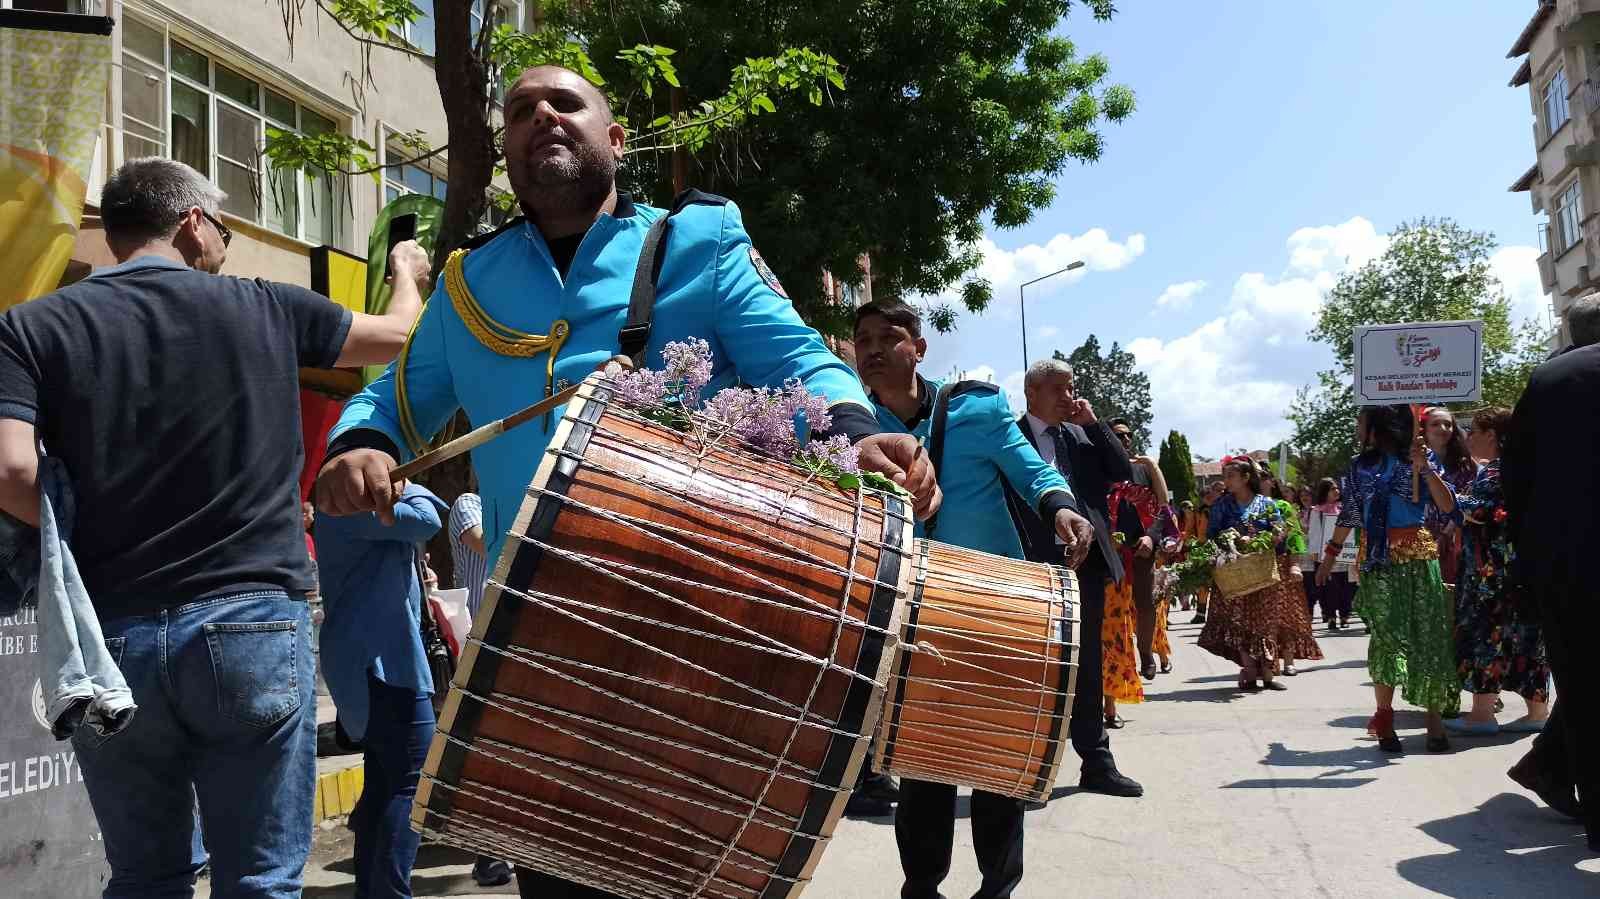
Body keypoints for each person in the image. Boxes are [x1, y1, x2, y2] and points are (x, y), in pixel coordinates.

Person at [314, 65, 940, 899]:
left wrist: (859, 433)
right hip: (537, 659)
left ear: (613, 140)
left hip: (692, 636)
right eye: (520, 111)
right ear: (504, 152)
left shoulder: (700, 243)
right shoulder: (466, 285)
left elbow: (800, 361)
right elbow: (394, 401)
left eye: (565, 104)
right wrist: (357, 445)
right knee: (559, 882)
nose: (542, 116)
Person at [0, 157, 425, 897]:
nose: (224, 244)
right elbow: (396, 335)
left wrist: (104, 520)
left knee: (145, 876)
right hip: (252, 623)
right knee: (261, 879)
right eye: (222, 227)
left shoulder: (30, 326)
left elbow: (10, 473)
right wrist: (406, 269)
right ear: (192, 222)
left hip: (113, 636)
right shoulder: (265, 305)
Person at [854, 303, 1092, 899]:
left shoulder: (976, 409)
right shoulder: (852, 429)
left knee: (997, 752)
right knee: (919, 759)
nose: (874, 349)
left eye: (890, 337)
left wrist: (1061, 508)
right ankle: (923, 887)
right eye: (863, 340)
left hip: (994, 606)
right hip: (907, 615)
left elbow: (1033, 472)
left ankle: (997, 887)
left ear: (920, 348)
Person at [1010, 358, 1145, 798]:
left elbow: (1125, 473)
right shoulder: (1010, 437)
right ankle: (1025, 767)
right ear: (1033, 393)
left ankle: (1097, 763)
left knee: (1086, 665)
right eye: (1060, 390)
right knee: (1034, 666)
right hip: (1030, 566)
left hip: (1085, 567)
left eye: (1072, 389)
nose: (1070, 397)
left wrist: (1096, 424)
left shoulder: (1081, 436)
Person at [314, 483, 448, 898]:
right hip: (383, 661)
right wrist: (405, 482)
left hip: (375, 661)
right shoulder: (348, 501)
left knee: (384, 785)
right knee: (412, 783)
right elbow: (428, 518)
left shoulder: (343, 503)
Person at [1502, 292, 1600, 848]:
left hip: (1563, 563)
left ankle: (1555, 768)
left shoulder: (1546, 381)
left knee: (1584, 684)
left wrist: (1529, 559)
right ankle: (1549, 765)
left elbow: (1517, 481)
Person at [1317, 405, 1459, 754]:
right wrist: (1330, 555)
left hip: (1419, 557)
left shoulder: (1420, 460)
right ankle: (1385, 719)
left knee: (1429, 634)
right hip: (1377, 562)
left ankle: (1434, 721)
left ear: (1378, 426)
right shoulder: (1359, 467)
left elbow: (1448, 506)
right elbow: (1351, 512)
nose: (1356, 425)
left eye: (1360, 420)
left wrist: (1425, 471)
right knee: (1385, 637)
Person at [1444, 407, 1550, 737]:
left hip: (1491, 573)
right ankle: (1537, 711)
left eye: (1473, 430)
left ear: (1492, 436)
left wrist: (1441, 489)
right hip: (1523, 570)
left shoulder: (1495, 473)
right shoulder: (1528, 470)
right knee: (1526, 639)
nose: (1468, 436)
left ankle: (1482, 714)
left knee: (1485, 635)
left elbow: (1475, 512)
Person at [442, 490, 514, 887]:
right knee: (484, 750)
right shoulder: (468, 503)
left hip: (507, 641)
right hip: (478, 643)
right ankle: (488, 855)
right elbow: (487, 540)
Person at [1198, 458, 1301, 691]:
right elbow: (1212, 535)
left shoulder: (1266, 504)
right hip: (1235, 572)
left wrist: (1272, 537)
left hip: (1263, 570)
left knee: (1266, 621)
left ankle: (1268, 672)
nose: (1226, 481)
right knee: (1241, 621)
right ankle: (1250, 671)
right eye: (1224, 476)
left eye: (1230, 476)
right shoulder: (1222, 506)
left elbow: (1280, 530)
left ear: (1245, 478)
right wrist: (1232, 539)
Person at [1108, 419, 1176, 682]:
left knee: (1145, 604)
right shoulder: (1100, 469)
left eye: (1128, 436)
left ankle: (1146, 652)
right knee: (1112, 611)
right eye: (1118, 436)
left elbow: (1163, 507)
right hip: (1110, 548)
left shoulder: (1142, 471)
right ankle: (1115, 667)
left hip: (1141, 546)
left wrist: (1150, 537)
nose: (1125, 440)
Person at [1262, 473, 1321, 677]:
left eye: (1263, 477)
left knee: (1285, 616)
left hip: (1281, 565)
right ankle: (1265, 664)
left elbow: (1294, 536)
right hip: (1256, 568)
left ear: (1272, 482)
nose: (1259, 481)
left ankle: (1288, 660)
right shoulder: (1244, 506)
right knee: (1262, 619)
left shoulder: (1282, 506)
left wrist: (1295, 564)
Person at [1421, 406, 1475, 585]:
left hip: (1454, 537)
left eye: (1448, 424)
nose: (1443, 429)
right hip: (1419, 538)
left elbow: (1466, 501)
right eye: (1435, 424)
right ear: (1424, 429)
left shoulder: (1465, 464)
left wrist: (1445, 535)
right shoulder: (1411, 462)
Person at [1303, 478, 1354, 630]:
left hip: (1345, 554)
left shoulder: (1344, 509)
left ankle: (1345, 616)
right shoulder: (1317, 511)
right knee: (1330, 587)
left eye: (1337, 489)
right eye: (1333, 489)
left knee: (1346, 586)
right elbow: (1314, 533)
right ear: (1325, 492)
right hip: (1326, 555)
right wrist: (1314, 552)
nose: (1337, 491)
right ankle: (1331, 616)